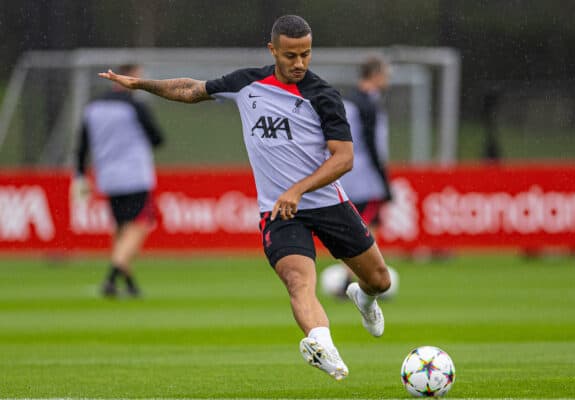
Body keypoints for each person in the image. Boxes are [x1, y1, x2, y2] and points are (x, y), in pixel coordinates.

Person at [98, 15, 391, 380]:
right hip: (279, 212)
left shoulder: (323, 96)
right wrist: (139, 84)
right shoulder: (247, 83)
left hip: (327, 203)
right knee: (299, 281)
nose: (299, 63)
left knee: (380, 279)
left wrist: (297, 189)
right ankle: (321, 343)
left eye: (305, 54)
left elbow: (344, 158)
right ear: (273, 50)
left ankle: (364, 297)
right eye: (290, 56)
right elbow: (190, 90)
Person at [72, 64, 164, 298]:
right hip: (135, 175)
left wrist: (81, 175)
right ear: (130, 78)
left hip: (108, 177)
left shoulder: (93, 107)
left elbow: (82, 145)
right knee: (138, 227)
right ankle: (112, 277)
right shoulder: (135, 106)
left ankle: (129, 282)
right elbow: (157, 138)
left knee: (121, 229)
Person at [332, 57, 393, 297]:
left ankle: (356, 277)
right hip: (365, 178)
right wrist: (384, 179)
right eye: (385, 74)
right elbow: (372, 144)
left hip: (346, 174)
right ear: (376, 75)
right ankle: (356, 279)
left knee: (358, 227)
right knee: (366, 227)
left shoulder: (348, 100)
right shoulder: (369, 104)